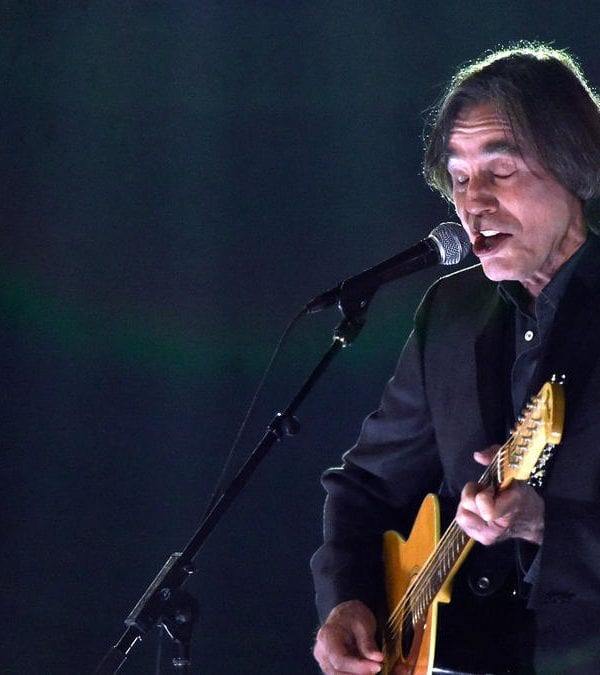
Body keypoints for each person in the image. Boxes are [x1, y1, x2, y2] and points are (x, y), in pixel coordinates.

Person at [311, 43, 600, 674]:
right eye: (460, 179)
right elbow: (368, 486)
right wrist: (347, 597)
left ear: (576, 165)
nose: (474, 203)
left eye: (502, 171)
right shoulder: (453, 309)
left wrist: (549, 527)